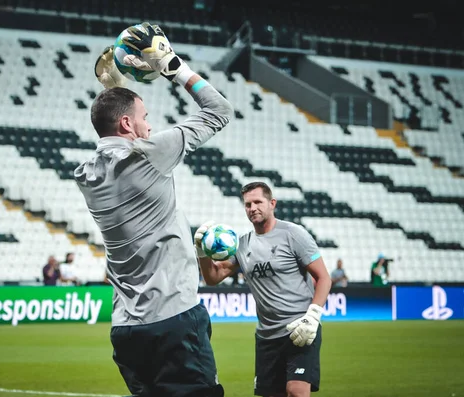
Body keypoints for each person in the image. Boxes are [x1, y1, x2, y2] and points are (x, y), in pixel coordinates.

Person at [75, 22, 233, 397]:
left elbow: (111, 130)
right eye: (145, 119)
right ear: (128, 124)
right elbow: (220, 110)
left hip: (127, 330)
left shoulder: (88, 174)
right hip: (173, 321)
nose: (150, 127)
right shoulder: (147, 155)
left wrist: (116, 90)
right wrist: (174, 67)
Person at [196, 182, 332, 397]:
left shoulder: (294, 234)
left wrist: (313, 316)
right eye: (248, 204)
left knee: (296, 391)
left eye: (258, 202)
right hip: (267, 336)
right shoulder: (242, 245)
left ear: (272, 204)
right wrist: (202, 254)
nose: (253, 208)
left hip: (300, 329)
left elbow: (324, 277)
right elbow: (213, 278)